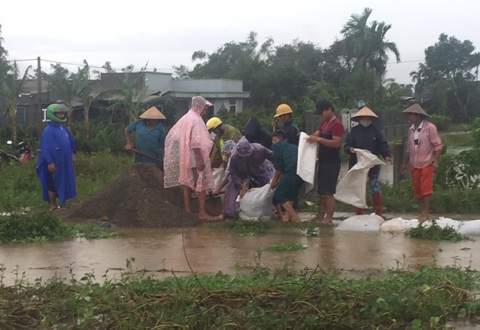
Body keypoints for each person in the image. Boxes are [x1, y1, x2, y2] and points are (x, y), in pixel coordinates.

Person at [163, 96, 218, 221]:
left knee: (187, 184)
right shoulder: (196, 120)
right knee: (201, 185)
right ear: (199, 107)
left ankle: (188, 210)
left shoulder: (185, 118)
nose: (205, 111)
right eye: (205, 108)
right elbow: (195, 142)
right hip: (194, 157)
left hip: (185, 157)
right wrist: (200, 159)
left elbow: (173, 136)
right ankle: (202, 213)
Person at [344, 106, 393, 219]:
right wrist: (349, 149)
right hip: (357, 163)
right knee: (358, 187)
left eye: (368, 119)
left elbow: (382, 144)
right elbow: (347, 145)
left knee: (374, 186)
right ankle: (359, 212)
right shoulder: (354, 131)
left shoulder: (376, 131)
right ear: (360, 119)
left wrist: (387, 155)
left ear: (371, 119)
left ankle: (379, 212)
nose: (366, 121)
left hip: (372, 164)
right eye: (364, 118)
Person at [400, 103, 443, 223]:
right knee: (417, 189)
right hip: (414, 163)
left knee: (426, 189)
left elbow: (438, 145)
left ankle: (426, 213)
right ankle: (422, 211)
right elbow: (409, 149)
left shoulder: (430, 127)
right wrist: (404, 163)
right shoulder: (411, 130)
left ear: (417, 115)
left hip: (427, 162)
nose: (409, 117)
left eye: (410, 114)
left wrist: (436, 161)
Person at [212, 136, 274, 219]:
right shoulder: (234, 157)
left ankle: (273, 209)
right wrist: (242, 185)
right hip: (242, 173)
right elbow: (231, 173)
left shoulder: (260, 149)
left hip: (260, 170)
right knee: (232, 183)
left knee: (269, 186)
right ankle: (228, 212)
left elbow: (272, 156)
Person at [306, 99, 344, 225]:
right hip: (323, 161)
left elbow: (336, 143)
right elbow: (315, 134)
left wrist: (318, 139)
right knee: (322, 191)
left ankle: (329, 218)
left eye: (322, 112)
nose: (321, 115)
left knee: (329, 192)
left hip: (332, 162)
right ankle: (320, 216)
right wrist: (309, 138)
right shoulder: (324, 123)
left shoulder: (337, 125)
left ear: (329, 110)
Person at [36, 103, 76, 211]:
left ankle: (63, 203)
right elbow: (45, 148)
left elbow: (70, 143)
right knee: (53, 183)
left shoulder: (63, 129)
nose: (61, 116)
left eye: (62, 114)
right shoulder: (48, 130)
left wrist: (72, 155)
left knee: (64, 181)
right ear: (52, 114)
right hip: (54, 161)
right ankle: (52, 205)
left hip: (64, 161)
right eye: (59, 114)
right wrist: (50, 162)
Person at [270, 129, 304, 223]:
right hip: (301, 174)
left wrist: (275, 179)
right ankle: (287, 217)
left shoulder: (276, 146)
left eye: (273, 140)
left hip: (291, 172)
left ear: (276, 139)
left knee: (279, 195)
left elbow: (279, 166)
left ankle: (295, 218)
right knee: (291, 195)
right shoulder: (294, 146)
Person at [124, 106, 166, 170]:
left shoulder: (160, 129)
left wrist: (166, 157)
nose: (155, 120)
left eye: (157, 118)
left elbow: (164, 144)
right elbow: (127, 131)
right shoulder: (138, 123)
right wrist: (129, 143)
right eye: (153, 118)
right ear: (148, 118)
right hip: (140, 157)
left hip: (155, 158)